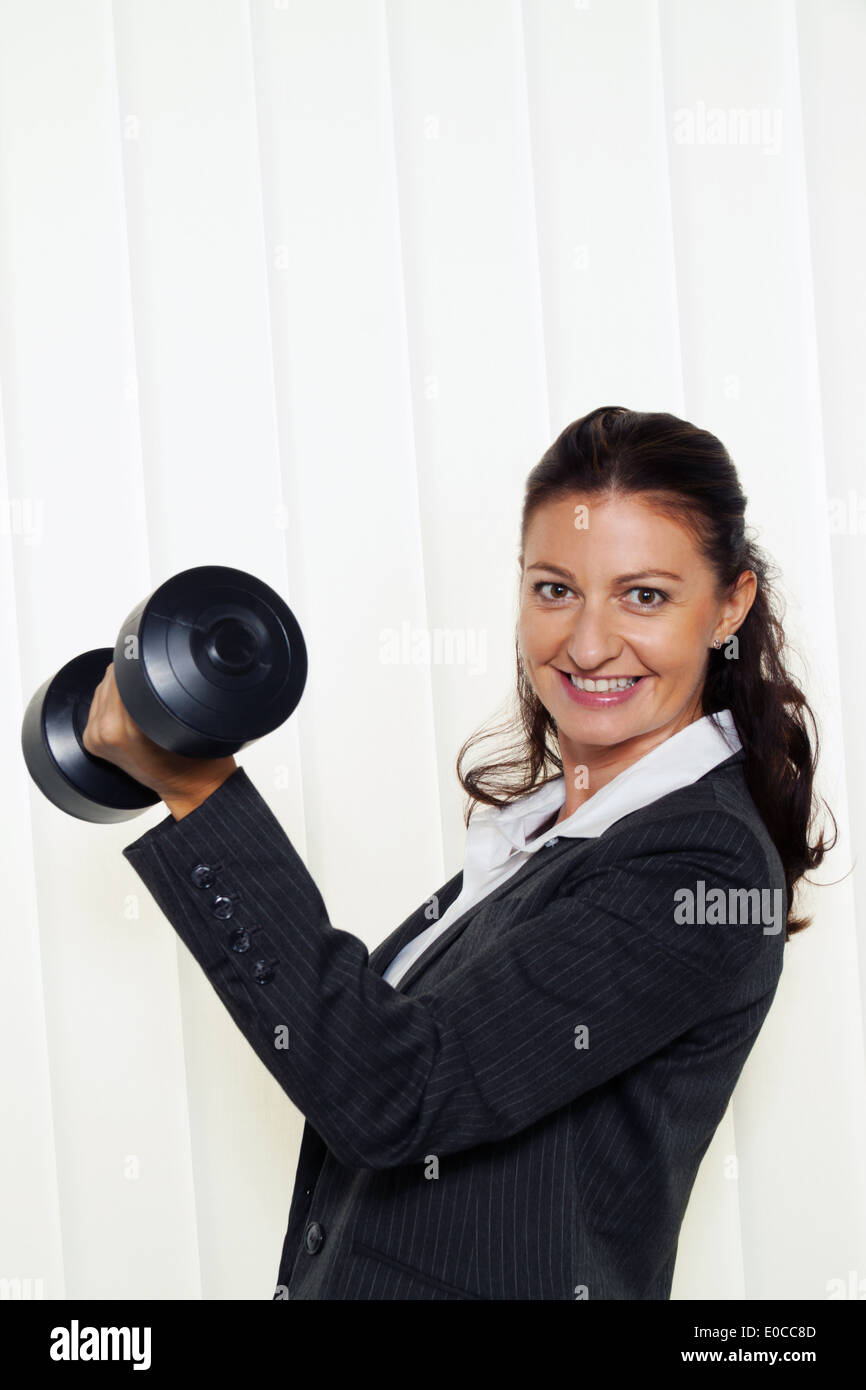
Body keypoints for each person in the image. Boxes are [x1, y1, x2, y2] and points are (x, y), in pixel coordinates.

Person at [85, 405, 835, 1300]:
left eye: (645, 596)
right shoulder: (549, 837)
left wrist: (199, 792)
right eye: (555, 589)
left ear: (730, 605)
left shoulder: (698, 865)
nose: (589, 644)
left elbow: (390, 1089)